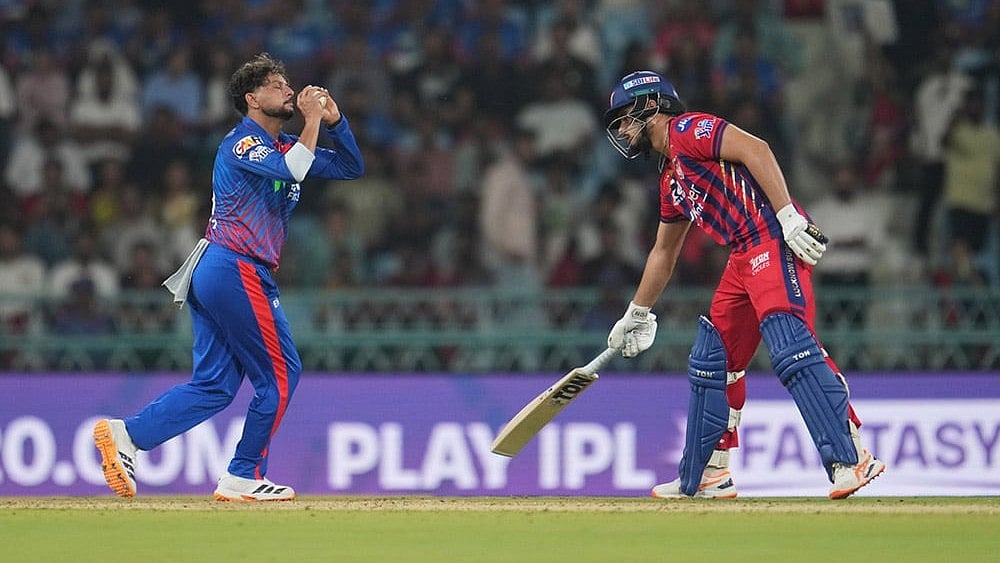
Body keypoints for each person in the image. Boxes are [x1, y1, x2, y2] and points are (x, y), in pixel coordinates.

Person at [93, 53, 364, 501]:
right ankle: (243, 474)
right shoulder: (242, 143)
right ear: (252, 98)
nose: (289, 90)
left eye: (287, 83)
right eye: (277, 85)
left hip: (224, 271)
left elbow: (351, 167)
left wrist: (335, 122)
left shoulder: (285, 146)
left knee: (214, 386)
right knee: (281, 374)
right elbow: (294, 170)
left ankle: (128, 434)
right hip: (235, 265)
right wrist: (313, 120)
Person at [601, 70, 885, 500]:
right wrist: (636, 313)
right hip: (742, 253)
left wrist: (788, 216)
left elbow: (756, 149)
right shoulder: (671, 180)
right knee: (712, 358)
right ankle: (708, 475)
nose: (622, 129)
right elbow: (663, 252)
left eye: (625, 117)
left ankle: (852, 457)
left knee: (788, 344)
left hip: (771, 235)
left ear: (651, 106)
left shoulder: (688, 129)